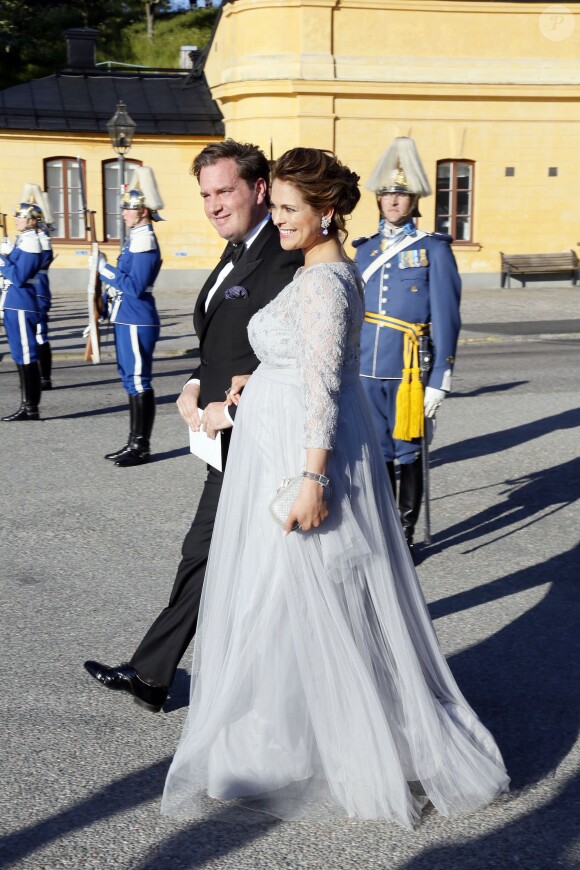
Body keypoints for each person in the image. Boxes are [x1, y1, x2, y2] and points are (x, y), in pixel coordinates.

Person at [160, 147, 509, 826]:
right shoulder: (320, 269)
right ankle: (291, 739)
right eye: (279, 207)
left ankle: (317, 748)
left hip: (301, 461)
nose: (280, 220)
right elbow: (307, 365)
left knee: (301, 602)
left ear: (325, 211)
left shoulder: (322, 280)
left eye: (291, 210)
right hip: (282, 445)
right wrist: (250, 386)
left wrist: (312, 481)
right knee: (291, 601)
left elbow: (323, 388)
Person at [84, 141, 303, 709]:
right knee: (205, 553)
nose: (213, 204)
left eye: (224, 190)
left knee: (266, 563)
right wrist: (191, 385)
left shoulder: (283, 258)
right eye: (206, 194)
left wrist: (229, 406)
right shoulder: (237, 250)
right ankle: (154, 675)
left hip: (262, 437)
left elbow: (290, 353)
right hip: (226, 435)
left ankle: (296, 686)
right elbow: (223, 345)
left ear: (259, 189)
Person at [354, 137, 461, 558]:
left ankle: (404, 533)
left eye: (399, 193)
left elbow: (447, 317)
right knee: (376, 451)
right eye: (386, 193)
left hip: (410, 370)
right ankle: (381, 527)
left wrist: (441, 379)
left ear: (414, 198)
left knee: (407, 450)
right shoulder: (362, 250)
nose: (392, 200)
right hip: (364, 368)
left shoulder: (433, 248)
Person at [95, 166, 164, 467]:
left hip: (137, 316)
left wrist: (104, 269)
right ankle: (132, 442)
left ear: (143, 211)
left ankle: (141, 446)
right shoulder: (134, 239)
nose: (123, 212)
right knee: (129, 379)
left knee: (138, 380)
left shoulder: (144, 240)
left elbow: (133, 286)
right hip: (126, 316)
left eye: (128, 208)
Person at [0, 185, 47, 421]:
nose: (16, 219)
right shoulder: (24, 241)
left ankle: (31, 407)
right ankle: (26, 404)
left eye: (20, 216)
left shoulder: (31, 243)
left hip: (22, 302)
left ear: (31, 221)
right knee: (19, 355)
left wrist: (1, 260)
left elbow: (19, 277)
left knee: (26, 354)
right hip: (14, 302)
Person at [36, 211, 55, 390]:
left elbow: (41, 261)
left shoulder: (43, 240)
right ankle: (34, 376)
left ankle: (45, 378)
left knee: (40, 335)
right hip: (28, 293)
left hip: (38, 293)